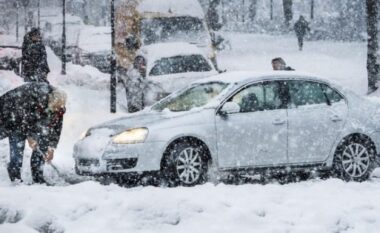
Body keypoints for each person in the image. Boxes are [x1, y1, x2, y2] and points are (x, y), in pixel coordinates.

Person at [0, 83, 66, 183]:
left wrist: (51, 147)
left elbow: (56, 128)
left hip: (28, 118)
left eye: (59, 108)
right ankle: (15, 174)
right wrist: (30, 137)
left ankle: (38, 175)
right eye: (55, 107)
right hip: (10, 114)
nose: (57, 110)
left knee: (44, 140)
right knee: (18, 142)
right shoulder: (32, 96)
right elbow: (21, 118)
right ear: (50, 101)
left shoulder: (58, 107)